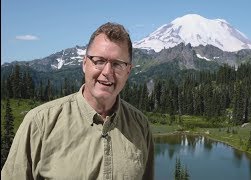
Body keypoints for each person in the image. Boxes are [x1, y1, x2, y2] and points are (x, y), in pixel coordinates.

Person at [1, 22, 154, 180]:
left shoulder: (140, 125)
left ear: (128, 71)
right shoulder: (40, 123)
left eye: (117, 64)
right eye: (99, 61)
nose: (107, 72)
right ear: (84, 64)